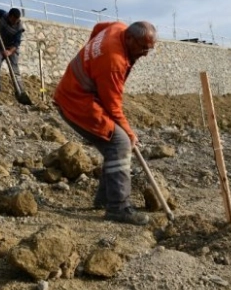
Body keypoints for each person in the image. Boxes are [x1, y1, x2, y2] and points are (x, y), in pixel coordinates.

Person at [54, 21, 157, 226]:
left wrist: (91, 59)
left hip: (78, 91)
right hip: (77, 100)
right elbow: (113, 106)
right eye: (143, 48)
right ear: (129, 39)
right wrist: (129, 133)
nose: (145, 53)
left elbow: (98, 27)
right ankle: (118, 207)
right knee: (120, 143)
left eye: (149, 48)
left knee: (114, 145)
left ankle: (104, 199)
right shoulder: (113, 62)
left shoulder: (118, 27)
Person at [0, 6, 25, 92]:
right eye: (14, 19)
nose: (15, 22)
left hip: (11, 49)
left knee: (15, 71)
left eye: (17, 20)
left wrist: (10, 51)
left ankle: (20, 92)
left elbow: (17, 43)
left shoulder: (19, 27)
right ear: (9, 16)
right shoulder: (3, 14)